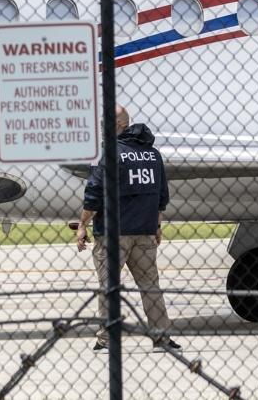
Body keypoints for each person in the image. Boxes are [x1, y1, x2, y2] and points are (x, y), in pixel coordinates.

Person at [76, 105, 179, 352]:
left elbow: (94, 194)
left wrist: (82, 225)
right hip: (144, 232)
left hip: (113, 234)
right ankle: (161, 337)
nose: (101, 129)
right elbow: (161, 194)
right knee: (150, 286)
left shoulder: (110, 154)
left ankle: (107, 338)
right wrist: (156, 225)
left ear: (119, 125)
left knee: (108, 287)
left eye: (105, 124)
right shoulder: (152, 155)